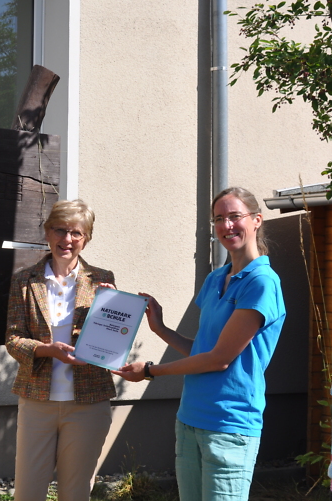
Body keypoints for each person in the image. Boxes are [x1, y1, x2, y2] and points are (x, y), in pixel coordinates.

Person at [112, 187, 286, 501]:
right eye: (219, 219)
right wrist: (161, 328)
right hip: (190, 418)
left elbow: (219, 359)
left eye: (235, 216)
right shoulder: (215, 279)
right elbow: (202, 351)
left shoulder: (261, 282)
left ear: (257, 220)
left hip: (229, 424)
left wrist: (151, 371)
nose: (226, 225)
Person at [6, 199, 116, 501]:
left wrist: (109, 309)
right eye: (60, 230)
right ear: (47, 233)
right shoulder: (24, 281)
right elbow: (13, 339)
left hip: (88, 401)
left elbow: (111, 343)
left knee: (76, 492)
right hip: (38, 401)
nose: (67, 239)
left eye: (76, 233)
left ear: (87, 238)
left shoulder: (103, 281)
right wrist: (47, 350)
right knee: (28, 492)